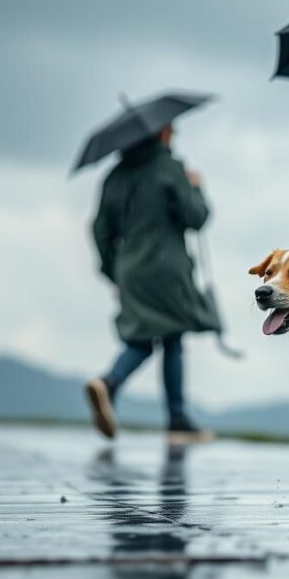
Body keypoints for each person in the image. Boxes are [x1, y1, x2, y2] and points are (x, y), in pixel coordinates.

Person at [85, 123, 214, 442]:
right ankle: (174, 417)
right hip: (166, 270)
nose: (173, 134)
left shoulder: (113, 177)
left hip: (129, 270)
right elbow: (195, 217)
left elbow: (100, 230)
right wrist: (196, 187)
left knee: (143, 337)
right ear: (159, 132)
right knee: (172, 336)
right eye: (170, 129)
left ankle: (111, 385)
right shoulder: (169, 167)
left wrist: (113, 272)